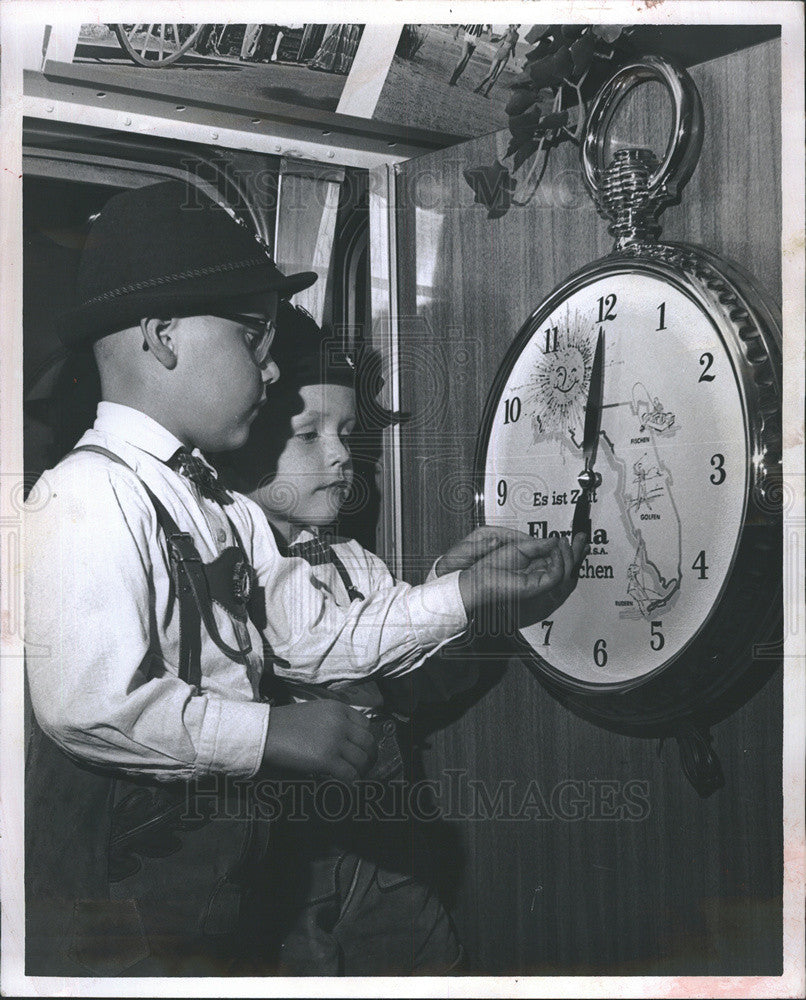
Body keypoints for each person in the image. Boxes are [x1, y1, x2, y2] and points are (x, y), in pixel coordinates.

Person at [24, 179, 583, 976]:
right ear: (163, 336)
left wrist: (463, 596)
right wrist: (271, 733)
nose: (273, 359)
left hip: (210, 891)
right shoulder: (86, 494)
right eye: (252, 334)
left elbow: (319, 640)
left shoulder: (216, 504)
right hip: (115, 908)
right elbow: (87, 705)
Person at [217, 302, 587, 974]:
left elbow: (398, 659)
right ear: (242, 445)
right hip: (290, 869)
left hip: (386, 850)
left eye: (347, 433)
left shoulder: (350, 561)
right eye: (308, 435)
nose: (340, 455)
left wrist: (458, 583)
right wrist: (460, 596)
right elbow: (323, 646)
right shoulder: (235, 554)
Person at [473, 24, 520, 97]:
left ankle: (486, 93)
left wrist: (515, 59)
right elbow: (499, 39)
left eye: (519, 25)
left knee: (496, 76)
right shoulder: (508, 31)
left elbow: (513, 47)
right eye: (517, 24)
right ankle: (478, 87)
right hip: (500, 53)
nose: (518, 26)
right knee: (490, 74)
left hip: (506, 56)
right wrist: (491, 40)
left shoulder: (517, 35)